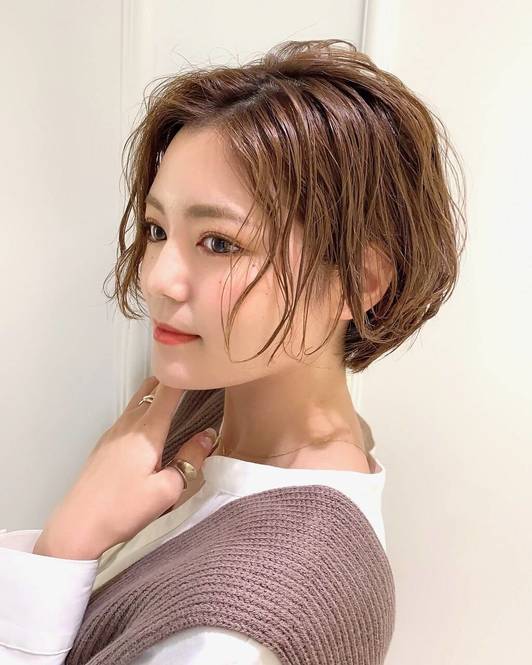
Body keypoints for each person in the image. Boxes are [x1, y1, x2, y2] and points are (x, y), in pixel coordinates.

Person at [0, 38, 466, 664]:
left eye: (219, 243)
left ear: (358, 283)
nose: (158, 278)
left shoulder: (235, 634)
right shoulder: (213, 416)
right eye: (157, 229)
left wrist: (65, 548)